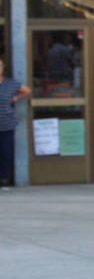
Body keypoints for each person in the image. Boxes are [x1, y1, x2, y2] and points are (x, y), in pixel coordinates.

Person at [0, 55, 31, 187]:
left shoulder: (10, 83)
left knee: (6, 153)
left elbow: (27, 90)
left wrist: (16, 98)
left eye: (0, 66)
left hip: (6, 125)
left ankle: (3, 177)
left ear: (3, 68)